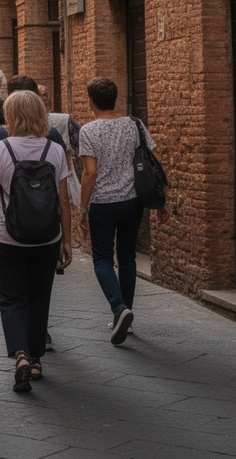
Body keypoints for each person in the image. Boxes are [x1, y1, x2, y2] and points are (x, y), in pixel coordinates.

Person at [0, 90, 73, 392]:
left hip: (8, 236)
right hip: (47, 237)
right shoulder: (54, 149)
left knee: (11, 297)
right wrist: (67, 240)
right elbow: (63, 200)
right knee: (39, 297)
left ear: (11, 116)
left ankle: (20, 355)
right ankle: (36, 359)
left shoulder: (0, 148)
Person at [78, 76, 166, 345]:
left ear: (91, 101)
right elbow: (155, 159)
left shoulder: (88, 131)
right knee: (127, 258)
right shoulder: (134, 124)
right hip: (132, 202)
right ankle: (125, 318)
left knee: (102, 259)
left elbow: (90, 173)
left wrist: (82, 207)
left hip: (103, 204)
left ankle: (119, 308)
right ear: (115, 99)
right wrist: (162, 199)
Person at [39, 85, 82, 211]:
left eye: (45, 95)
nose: (44, 98)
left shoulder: (63, 120)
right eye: (41, 95)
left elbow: (81, 143)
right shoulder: (64, 119)